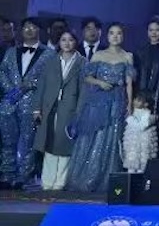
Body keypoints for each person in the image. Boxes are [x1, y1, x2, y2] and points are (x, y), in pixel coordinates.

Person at [66, 22, 133, 193]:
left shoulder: (127, 56)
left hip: (118, 100)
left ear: (123, 36)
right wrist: (100, 82)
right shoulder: (99, 54)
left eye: (119, 33)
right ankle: (86, 179)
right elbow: (86, 77)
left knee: (112, 138)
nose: (115, 36)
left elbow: (129, 84)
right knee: (93, 136)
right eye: (112, 33)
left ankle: (107, 182)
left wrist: (130, 105)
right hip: (98, 101)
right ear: (107, 36)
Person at [0, 18, 52, 188]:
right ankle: (7, 174)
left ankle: (23, 177)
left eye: (33, 27)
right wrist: (12, 89)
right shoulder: (11, 51)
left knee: (28, 141)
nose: (29, 30)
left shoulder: (49, 54)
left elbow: (49, 78)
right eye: (26, 27)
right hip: (9, 102)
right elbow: (2, 72)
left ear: (39, 30)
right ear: (21, 31)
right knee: (8, 141)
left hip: (32, 103)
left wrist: (29, 85)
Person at [33, 30, 84, 190]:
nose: (67, 43)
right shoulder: (51, 60)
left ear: (76, 42)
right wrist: (37, 109)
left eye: (70, 40)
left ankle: (60, 182)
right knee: (49, 143)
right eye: (63, 40)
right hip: (50, 107)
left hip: (70, 109)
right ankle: (47, 181)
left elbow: (84, 90)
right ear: (59, 42)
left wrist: (79, 112)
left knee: (65, 145)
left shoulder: (82, 62)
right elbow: (41, 85)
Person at [133, 16, 159, 107]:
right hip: (141, 96)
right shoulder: (140, 51)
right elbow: (136, 75)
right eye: (151, 30)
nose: (154, 33)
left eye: (157, 30)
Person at [121, 93, 159, 175]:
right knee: (131, 162)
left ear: (146, 104)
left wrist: (130, 119)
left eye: (138, 100)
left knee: (142, 164)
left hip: (143, 144)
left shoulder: (147, 114)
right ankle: (130, 178)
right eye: (135, 99)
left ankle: (140, 177)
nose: (135, 102)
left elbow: (142, 126)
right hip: (133, 145)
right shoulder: (132, 112)